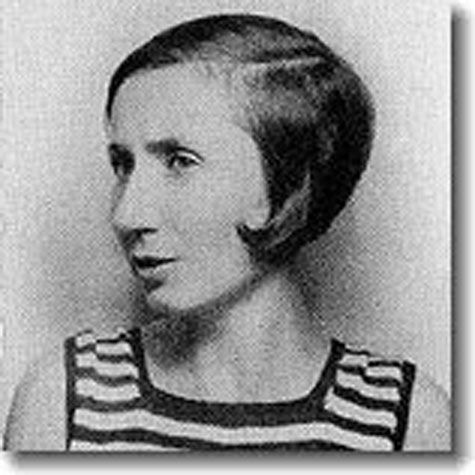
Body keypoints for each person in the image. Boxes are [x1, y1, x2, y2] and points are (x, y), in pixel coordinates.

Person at [4, 13, 449, 451]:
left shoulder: (405, 421)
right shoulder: (67, 401)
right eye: (123, 164)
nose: (126, 214)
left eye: (180, 162)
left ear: (288, 184)